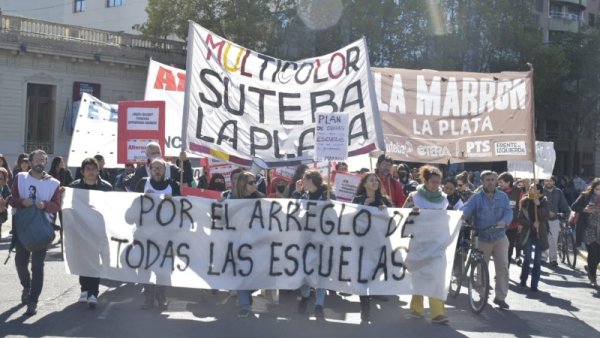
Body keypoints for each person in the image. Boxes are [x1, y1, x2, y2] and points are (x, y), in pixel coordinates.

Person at [9, 149, 61, 316]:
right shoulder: (20, 178)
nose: (40, 163)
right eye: (37, 160)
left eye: (42, 160)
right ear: (30, 162)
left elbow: (56, 206)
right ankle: (26, 286)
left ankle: (33, 301)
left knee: (37, 266)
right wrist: (21, 202)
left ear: (46, 163)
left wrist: (45, 205)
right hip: (23, 228)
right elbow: (12, 200)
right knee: (20, 263)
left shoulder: (54, 183)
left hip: (42, 230)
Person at [403, 165, 449, 324]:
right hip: (419, 243)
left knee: (437, 277)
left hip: (436, 245)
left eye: (438, 182)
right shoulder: (414, 196)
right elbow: (402, 215)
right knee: (419, 275)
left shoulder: (443, 199)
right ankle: (416, 309)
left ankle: (437, 313)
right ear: (426, 181)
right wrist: (412, 212)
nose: (436, 185)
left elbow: (446, 219)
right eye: (433, 182)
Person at [134, 158, 181, 311]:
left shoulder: (173, 184)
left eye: (160, 167)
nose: (157, 170)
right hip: (145, 233)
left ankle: (161, 297)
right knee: (146, 266)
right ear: (150, 169)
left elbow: (181, 206)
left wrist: (173, 200)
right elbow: (132, 204)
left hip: (166, 234)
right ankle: (148, 297)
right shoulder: (142, 183)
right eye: (154, 168)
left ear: (165, 169)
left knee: (164, 267)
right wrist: (143, 197)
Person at [462, 170, 512, 310]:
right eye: (487, 180)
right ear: (482, 182)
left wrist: (505, 221)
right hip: (482, 237)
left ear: (496, 181)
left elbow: (509, 211)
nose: (490, 182)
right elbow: (467, 209)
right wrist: (461, 217)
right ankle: (482, 294)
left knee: (502, 267)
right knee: (481, 268)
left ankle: (500, 297)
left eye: (492, 179)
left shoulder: (503, 197)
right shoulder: (476, 198)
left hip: (500, 236)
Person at [69, 158, 113, 309]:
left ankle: (93, 293)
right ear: (82, 172)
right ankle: (84, 289)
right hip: (80, 230)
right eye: (87, 168)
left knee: (94, 261)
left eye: (93, 168)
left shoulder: (106, 188)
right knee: (83, 261)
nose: (91, 171)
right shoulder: (74, 187)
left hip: (98, 231)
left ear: (98, 170)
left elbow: (111, 209)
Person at [292, 170, 333, 320]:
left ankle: (319, 305)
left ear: (311, 180)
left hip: (323, 241)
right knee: (306, 270)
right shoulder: (304, 196)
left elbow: (333, 216)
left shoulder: (327, 195)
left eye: (304, 178)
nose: (301, 181)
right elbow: (294, 211)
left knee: (322, 273)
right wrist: (296, 192)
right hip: (307, 240)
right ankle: (305, 296)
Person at [351, 173, 391, 323]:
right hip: (362, 243)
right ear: (365, 184)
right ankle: (365, 308)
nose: (375, 182)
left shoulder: (384, 200)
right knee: (363, 276)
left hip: (379, 244)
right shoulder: (357, 200)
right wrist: (364, 207)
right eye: (371, 180)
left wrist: (386, 211)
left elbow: (394, 218)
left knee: (374, 273)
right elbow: (351, 220)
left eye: (377, 180)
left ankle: (372, 294)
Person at [231, 171, 264, 317]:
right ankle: (244, 305)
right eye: (251, 182)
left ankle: (246, 293)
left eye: (255, 181)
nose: (255, 184)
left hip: (258, 243)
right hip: (239, 243)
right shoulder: (232, 199)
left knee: (260, 276)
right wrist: (220, 205)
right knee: (241, 275)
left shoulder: (262, 199)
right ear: (243, 184)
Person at [518, 183, 550, 292]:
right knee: (527, 259)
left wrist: (539, 206)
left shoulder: (544, 201)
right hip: (528, 233)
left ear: (539, 192)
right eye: (530, 188)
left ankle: (534, 283)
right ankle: (523, 278)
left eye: (533, 188)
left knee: (537, 260)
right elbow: (520, 218)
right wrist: (531, 224)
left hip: (539, 235)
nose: (530, 190)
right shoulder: (525, 201)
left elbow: (545, 217)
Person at [571, 178, 600, 288]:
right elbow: (574, 206)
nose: (599, 191)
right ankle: (593, 278)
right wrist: (585, 209)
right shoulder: (586, 196)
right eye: (597, 189)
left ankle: (590, 267)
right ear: (593, 188)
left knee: (598, 256)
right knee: (593, 253)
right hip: (588, 229)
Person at [127, 142, 193, 190]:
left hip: (169, 204)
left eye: (158, 153)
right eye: (153, 153)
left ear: (161, 153)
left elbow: (187, 178)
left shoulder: (171, 168)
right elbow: (134, 189)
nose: (156, 155)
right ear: (147, 155)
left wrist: (186, 161)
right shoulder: (141, 171)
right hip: (149, 206)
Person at [543, 176, 571, 267]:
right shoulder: (539, 191)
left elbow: (563, 204)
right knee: (542, 239)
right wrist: (547, 212)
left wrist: (567, 213)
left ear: (554, 182)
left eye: (550, 181)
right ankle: (543, 257)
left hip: (554, 219)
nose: (548, 182)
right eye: (546, 181)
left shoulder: (558, 192)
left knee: (553, 239)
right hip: (541, 219)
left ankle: (553, 259)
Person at [498, 172, 524, 267]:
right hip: (499, 226)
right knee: (499, 250)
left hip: (512, 226)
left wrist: (520, 222)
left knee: (508, 249)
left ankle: (505, 270)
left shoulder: (518, 191)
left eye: (501, 182)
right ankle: (500, 270)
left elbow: (522, 208)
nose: (499, 184)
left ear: (508, 182)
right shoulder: (497, 191)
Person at [0, 167, 11, 237]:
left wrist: (3, 205)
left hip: (2, 213)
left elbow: (9, 197)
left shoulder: (5, 188)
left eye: (0, 179)